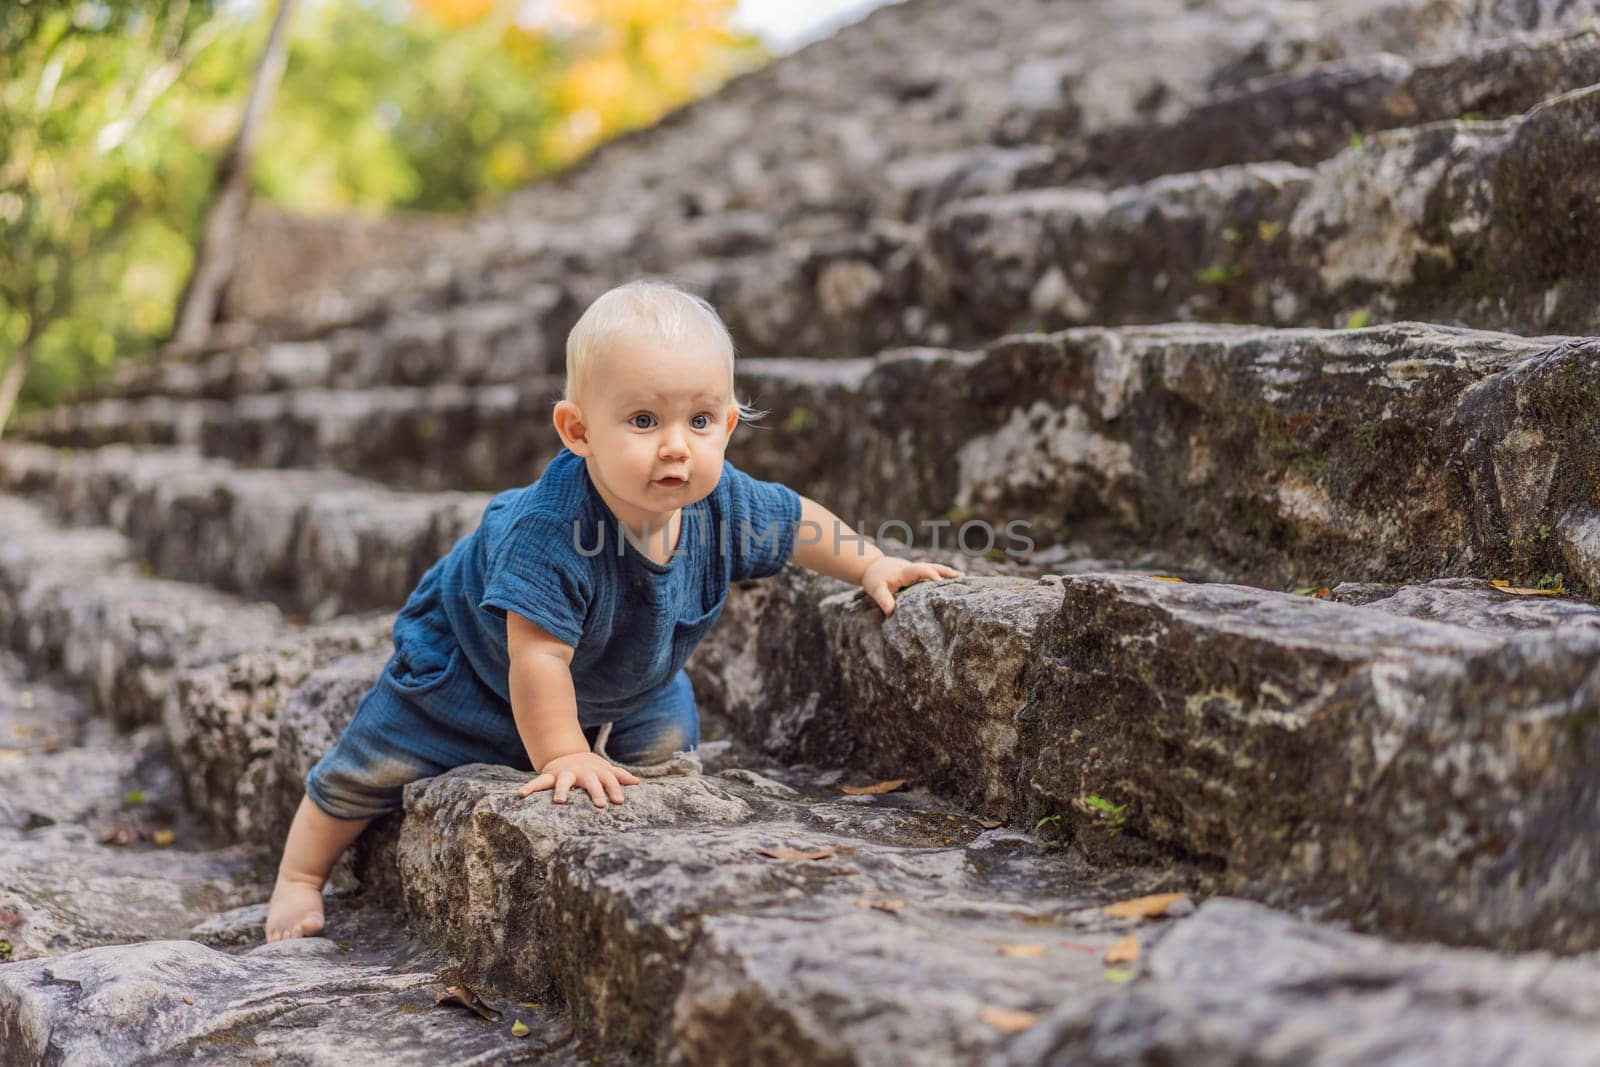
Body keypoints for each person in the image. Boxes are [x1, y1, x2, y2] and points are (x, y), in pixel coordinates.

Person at [264, 279, 961, 941]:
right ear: (578, 431)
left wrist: (870, 560)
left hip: (631, 667)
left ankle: (608, 732)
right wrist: (564, 751)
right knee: (375, 756)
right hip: (475, 663)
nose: (675, 445)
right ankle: (299, 874)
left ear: (728, 422)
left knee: (665, 748)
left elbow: (797, 522)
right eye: (642, 419)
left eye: (701, 419)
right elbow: (535, 655)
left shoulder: (721, 503)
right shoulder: (553, 530)